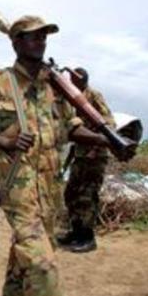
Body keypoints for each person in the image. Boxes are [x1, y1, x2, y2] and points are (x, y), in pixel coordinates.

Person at [0, 2, 117, 296]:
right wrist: (3, 142)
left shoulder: (55, 87)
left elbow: (71, 128)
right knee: (40, 264)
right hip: (17, 189)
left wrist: (107, 140)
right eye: (33, 36)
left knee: (26, 258)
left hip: (49, 189)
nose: (41, 41)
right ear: (16, 41)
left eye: (44, 36)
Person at [57, 67, 115, 253]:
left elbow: (109, 123)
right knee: (71, 194)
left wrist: (97, 146)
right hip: (81, 154)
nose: (71, 81)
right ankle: (76, 233)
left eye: (74, 79)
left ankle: (87, 238)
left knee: (87, 197)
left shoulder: (93, 96)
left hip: (95, 155)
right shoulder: (73, 97)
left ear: (82, 80)